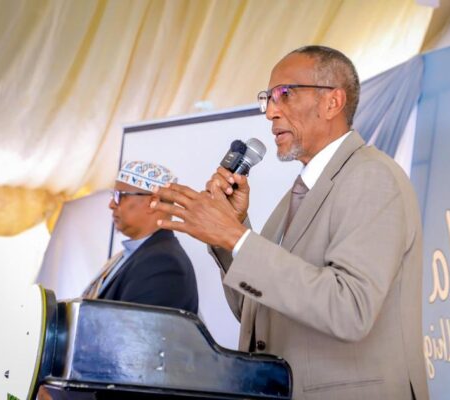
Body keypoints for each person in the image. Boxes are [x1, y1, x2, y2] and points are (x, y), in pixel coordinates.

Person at [152, 46, 428, 400]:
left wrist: (236, 237)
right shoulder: (301, 192)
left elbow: (351, 309)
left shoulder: (372, 176)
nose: (270, 112)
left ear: (332, 102)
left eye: (285, 94)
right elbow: (256, 311)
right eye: (267, 98)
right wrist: (229, 233)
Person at [83, 160, 198, 313]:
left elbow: (133, 327)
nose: (111, 204)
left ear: (153, 202)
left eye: (119, 196)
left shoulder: (162, 263)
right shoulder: (135, 255)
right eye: (113, 195)